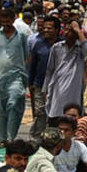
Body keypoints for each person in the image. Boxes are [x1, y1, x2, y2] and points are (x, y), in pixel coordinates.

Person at [0, 5, 30, 145]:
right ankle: (2, 138)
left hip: (17, 76)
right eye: (3, 22)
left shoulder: (22, 37)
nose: (5, 25)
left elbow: (27, 57)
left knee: (14, 102)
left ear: (13, 20)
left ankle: (11, 137)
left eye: (8, 21)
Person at [44, 18, 87, 119]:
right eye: (66, 29)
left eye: (71, 30)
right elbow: (49, 70)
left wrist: (78, 31)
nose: (67, 32)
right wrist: (45, 89)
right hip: (58, 88)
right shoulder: (57, 47)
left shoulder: (81, 49)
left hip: (74, 90)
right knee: (55, 116)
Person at [27, 14, 59, 142]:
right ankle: (35, 140)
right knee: (40, 112)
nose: (45, 30)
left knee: (54, 113)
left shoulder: (62, 44)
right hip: (39, 85)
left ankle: (52, 139)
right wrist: (31, 83)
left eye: (49, 28)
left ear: (56, 29)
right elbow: (32, 65)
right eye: (44, 28)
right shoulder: (38, 45)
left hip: (57, 86)